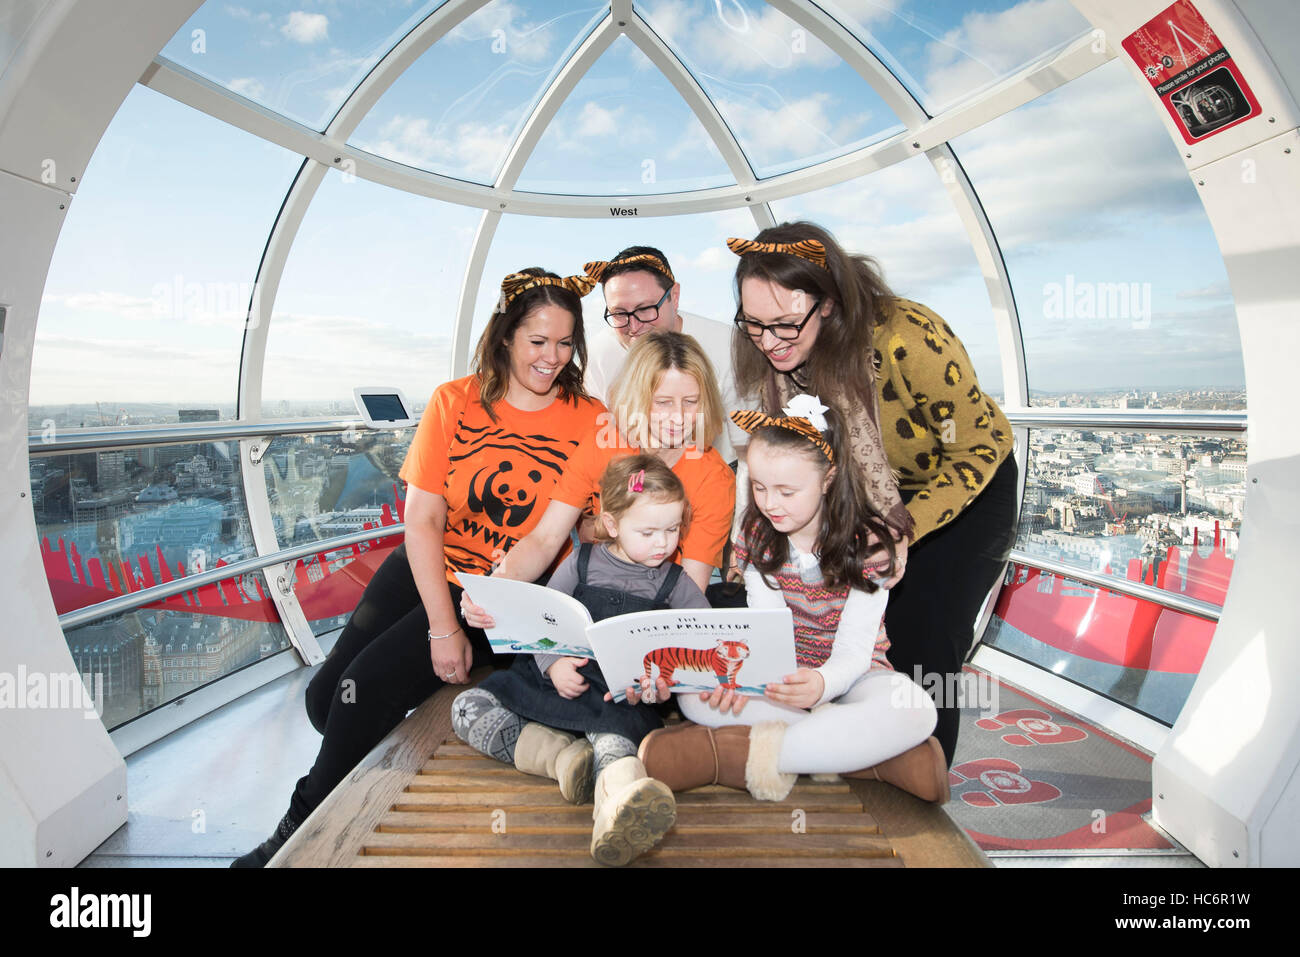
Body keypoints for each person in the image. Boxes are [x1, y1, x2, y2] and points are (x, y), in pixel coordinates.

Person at [231, 267, 606, 867]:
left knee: (360, 699)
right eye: (538, 341)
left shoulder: (588, 418)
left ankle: (295, 835)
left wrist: (468, 616)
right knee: (325, 702)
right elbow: (423, 521)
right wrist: (439, 627)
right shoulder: (453, 401)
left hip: (502, 593)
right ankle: (387, 757)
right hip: (427, 563)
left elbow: (545, 536)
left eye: (566, 342)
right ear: (506, 336)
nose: (552, 357)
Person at [725, 223, 1019, 767]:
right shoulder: (778, 358)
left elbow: (977, 448)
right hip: (862, 494)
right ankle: (850, 758)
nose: (768, 342)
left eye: (787, 324)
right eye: (755, 325)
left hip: (962, 491)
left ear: (830, 304)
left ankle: (922, 788)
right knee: (856, 639)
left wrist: (897, 530)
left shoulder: (908, 337)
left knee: (926, 642)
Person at [637, 403, 946, 802]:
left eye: (787, 491)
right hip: (783, 677)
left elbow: (855, 648)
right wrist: (749, 680)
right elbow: (768, 629)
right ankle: (869, 759)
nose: (771, 504)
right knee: (694, 696)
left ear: (828, 479)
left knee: (915, 709)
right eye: (760, 488)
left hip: (856, 675)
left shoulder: (868, 546)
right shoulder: (757, 534)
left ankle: (735, 759)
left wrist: (822, 684)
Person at [454, 455, 710, 866]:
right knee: (467, 707)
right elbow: (542, 618)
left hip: (617, 696)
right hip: (554, 678)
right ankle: (563, 761)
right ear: (612, 525)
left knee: (616, 742)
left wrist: (667, 683)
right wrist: (552, 662)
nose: (663, 543)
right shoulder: (580, 561)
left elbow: (703, 643)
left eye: (673, 529)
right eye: (648, 531)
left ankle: (617, 810)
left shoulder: (676, 584)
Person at [475, 330, 735, 597]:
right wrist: (493, 590)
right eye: (663, 403)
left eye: (690, 402)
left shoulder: (714, 479)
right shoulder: (604, 444)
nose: (678, 418)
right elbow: (545, 539)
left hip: (658, 604)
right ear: (638, 399)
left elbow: (689, 588)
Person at [583, 246, 743, 463]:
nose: (634, 325)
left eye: (645, 309)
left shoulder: (729, 346)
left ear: (674, 297)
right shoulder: (596, 357)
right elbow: (595, 445)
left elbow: (745, 444)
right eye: (620, 313)